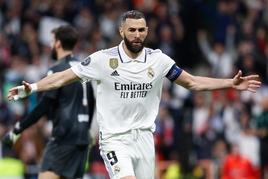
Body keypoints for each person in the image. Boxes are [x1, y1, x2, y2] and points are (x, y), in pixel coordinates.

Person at [7, 10, 261, 179]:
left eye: (141, 30)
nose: (137, 35)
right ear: (121, 32)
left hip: (145, 139)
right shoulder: (103, 60)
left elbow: (193, 83)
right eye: (132, 30)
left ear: (147, 31)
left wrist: (230, 82)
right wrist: (35, 87)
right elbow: (64, 76)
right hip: (115, 140)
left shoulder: (158, 59)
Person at [3, 25, 95, 179]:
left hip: (63, 137)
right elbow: (91, 103)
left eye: (52, 41)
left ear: (58, 43)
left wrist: (17, 129)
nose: (51, 45)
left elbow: (43, 107)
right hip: (82, 139)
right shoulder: (84, 69)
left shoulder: (57, 71)